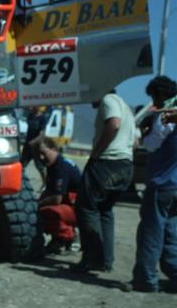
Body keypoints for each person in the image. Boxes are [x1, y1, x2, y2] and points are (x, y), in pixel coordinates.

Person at [71, 90, 135, 273]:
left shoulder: (109, 99)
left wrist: (96, 153)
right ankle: (105, 260)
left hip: (107, 163)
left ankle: (92, 259)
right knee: (105, 211)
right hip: (124, 165)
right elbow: (135, 141)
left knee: (86, 208)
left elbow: (113, 125)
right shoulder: (126, 106)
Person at [127, 76, 177, 292]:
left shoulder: (167, 115)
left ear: (160, 93)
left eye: (154, 97)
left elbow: (151, 145)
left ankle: (145, 279)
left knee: (151, 232)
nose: (154, 103)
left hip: (162, 183)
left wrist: (144, 131)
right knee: (171, 233)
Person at [37, 137, 81, 255]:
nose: (41, 157)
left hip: (78, 208)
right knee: (39, 210)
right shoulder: (53, 165)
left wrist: (38, 204)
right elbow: (49, 190)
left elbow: (56, 199)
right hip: (71, 205)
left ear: (53, 149)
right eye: (39, 154)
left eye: (43, 153)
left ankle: (67, 239)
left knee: (48, 211)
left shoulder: (61, 167)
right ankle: (60, 238)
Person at [21, 106, 49, 186]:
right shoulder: (30, 116)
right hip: (27, 146)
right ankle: (21, 183)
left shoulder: (43, 118)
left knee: (40, 167)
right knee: (22, 165)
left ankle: (46, 184)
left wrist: (34, 142)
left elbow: (42, 134)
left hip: (36, 146)